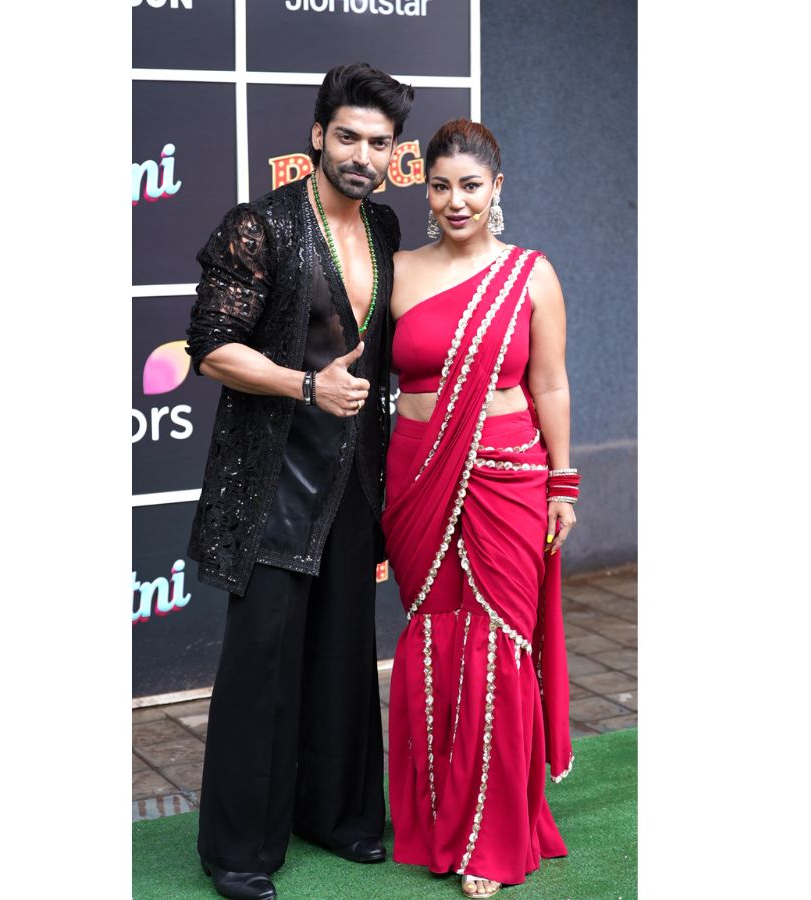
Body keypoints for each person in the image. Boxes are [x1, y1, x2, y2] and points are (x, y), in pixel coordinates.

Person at [185, 63, 415, 900]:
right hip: (271, 478)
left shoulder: (385, 225)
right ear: (318, 136)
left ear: (394, 153)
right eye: (347, 136)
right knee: (263, 664)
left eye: (379, 143)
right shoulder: (262, 225)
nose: (362, 155)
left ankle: (338, 816)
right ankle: (239, 851)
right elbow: (212, 346)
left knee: (344, 654)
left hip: (353, 478)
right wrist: (307, 385)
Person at [383, 119, 577, 898]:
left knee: (497, 642)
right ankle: (438, 818)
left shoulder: (531, 275)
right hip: (416, 478)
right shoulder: (398, 272)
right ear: (425, 191)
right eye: (440, 186)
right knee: (434, 635)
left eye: (470, 185)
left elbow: (549, 383)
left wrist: (563, 482)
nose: (455, 201)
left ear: (497, 187)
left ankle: (490, 841)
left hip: (509, 477)